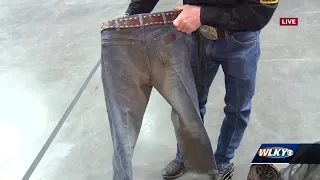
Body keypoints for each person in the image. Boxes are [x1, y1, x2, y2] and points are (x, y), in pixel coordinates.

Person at [125, 0, 278, 179]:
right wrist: (129, 18)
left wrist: (203, 15)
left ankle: (223, 160)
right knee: (187, 103)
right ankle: (187, 156)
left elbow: (260, 12)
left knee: (237, 108)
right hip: (196, 36)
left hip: (240, 39)